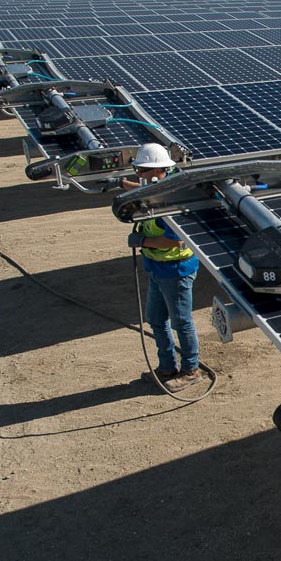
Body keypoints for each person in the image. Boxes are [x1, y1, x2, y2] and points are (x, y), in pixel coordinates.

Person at [121, 144, 201, 390]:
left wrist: (142, 241)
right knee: (156, 318)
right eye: (138, 170)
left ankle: (191, 369)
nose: (139, 175)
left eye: (142, 170)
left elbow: (176, 239)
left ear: (159, 171)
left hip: (176, 270)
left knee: (181, 322)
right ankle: (167, 366)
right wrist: (124, 187)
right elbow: (145, 190)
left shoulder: (171, 199)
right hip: (157, 267)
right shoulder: (155, 187)